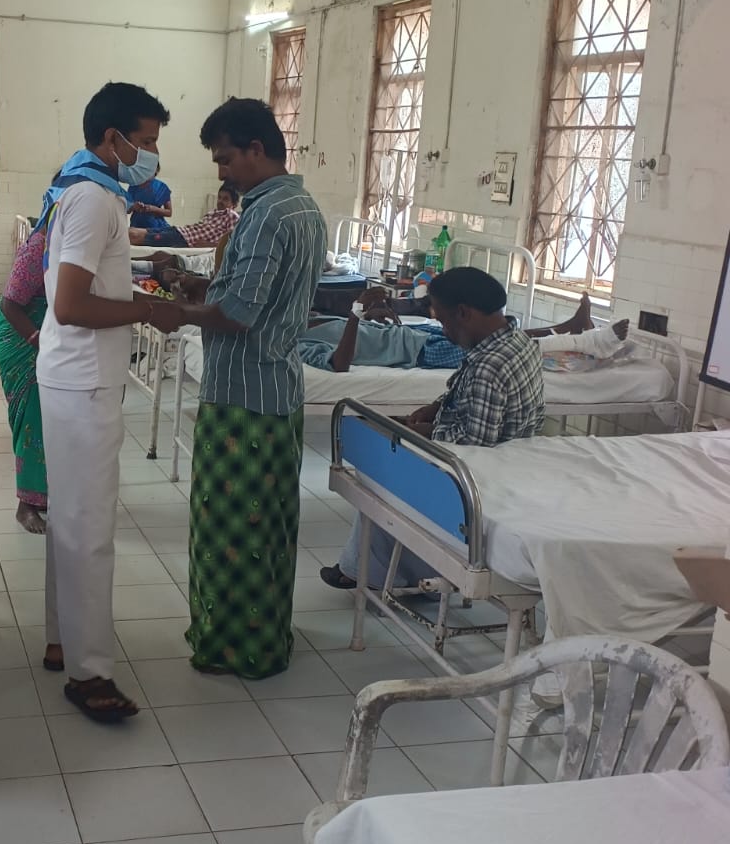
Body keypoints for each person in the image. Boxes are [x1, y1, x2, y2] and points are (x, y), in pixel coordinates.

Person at [37, 82, 186, 715]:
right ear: (112, 138)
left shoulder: (80, 189)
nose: (151, 155)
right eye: (146, 141)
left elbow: (87, 283)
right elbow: (70, 304)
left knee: (70, 517)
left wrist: (142, 284)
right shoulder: (96, 200)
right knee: (89, 527)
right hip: (83, 381)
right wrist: (149, 310)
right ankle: (89, 673)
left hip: (73, 376)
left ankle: (61, 641)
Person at [169, 98, 327, 681]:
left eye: (225, 158)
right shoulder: (303, 207)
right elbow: (254, 293)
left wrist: (173, 312)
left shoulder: (264, 215)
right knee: (270, 526)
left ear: (257, 150)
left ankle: (232, 647)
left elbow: (237, 313)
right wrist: (201, 287)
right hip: (279, 389)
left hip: (242, 398)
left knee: (229, 526)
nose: (221, 171)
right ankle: (266, 633)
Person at [321, 265, 547, 592]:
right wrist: (437, 408)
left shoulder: (489, 366)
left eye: (442, 320)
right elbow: (468, 395)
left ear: (463, 313)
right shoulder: (515, 342)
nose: (443, 329)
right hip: (504, 460)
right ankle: (378, 569)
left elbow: (473, 444)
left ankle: (372, 573)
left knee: (383, 474)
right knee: (388, 456)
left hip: (480, 475)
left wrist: (426, 432)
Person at [300, 285, 631, 374]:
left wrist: (371, 316)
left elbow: (360, 335)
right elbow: (339, 364)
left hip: (417, 335)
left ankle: (570, 328)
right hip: (420, 354)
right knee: (499, 344)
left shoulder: (313, 320)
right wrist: (356, 314)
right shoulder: (295, 344)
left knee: (496, 336)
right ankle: (586, 340)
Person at [0, 182, 57, 535]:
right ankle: (26, 505)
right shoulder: (39, 246)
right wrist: (38, 341)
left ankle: (45, 494)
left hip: (47, 334)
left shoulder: (71, 241)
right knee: (33, 415)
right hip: (22, 333)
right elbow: (10, 304)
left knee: (50, 418)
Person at [130, 182, 240, 250]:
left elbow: (231, 244)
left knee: (135, 236)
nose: (220, 201)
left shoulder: (232, 216)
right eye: (219, 197)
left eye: (225, 199)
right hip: (180, 230)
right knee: (132, 231)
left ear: (234, 204)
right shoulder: (212, 213)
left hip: (185, 240)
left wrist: (208, 244)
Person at [126, 155, 173, 239]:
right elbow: (126, 209)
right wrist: (134, 206)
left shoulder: (161, 187)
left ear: (156, 170)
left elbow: (169, 212)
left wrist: (154, 209)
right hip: (137, 227)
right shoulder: (134, 186)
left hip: (156, 229)